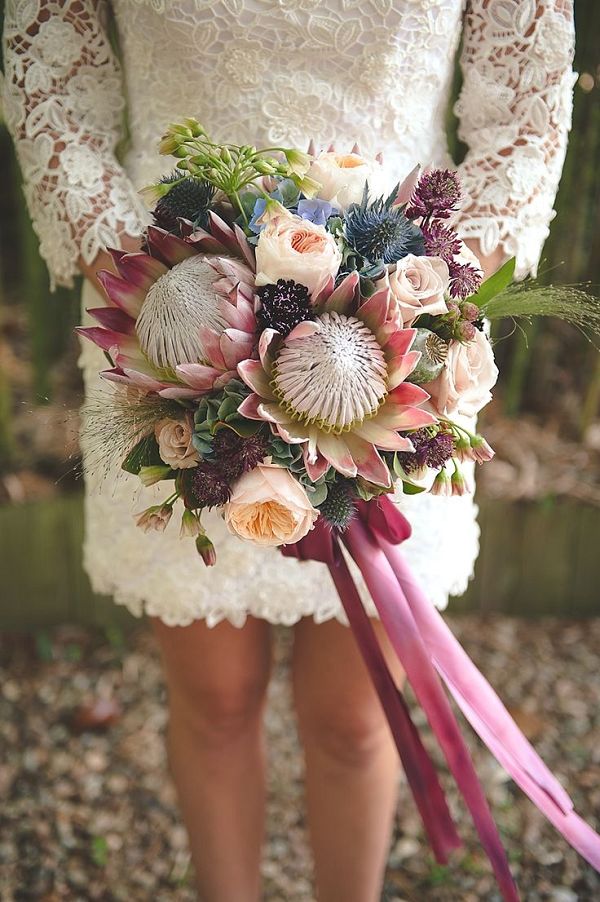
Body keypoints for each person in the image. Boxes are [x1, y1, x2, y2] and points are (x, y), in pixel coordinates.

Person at [2, 2, 575, 899]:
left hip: (397, 332)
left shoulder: (410, 310)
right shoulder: (162, 303)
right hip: (168, 326)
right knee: (215, 698)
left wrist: (428, 289)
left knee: (355, 718)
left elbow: (529, 110)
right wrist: (149, 277)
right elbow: (52, 85)